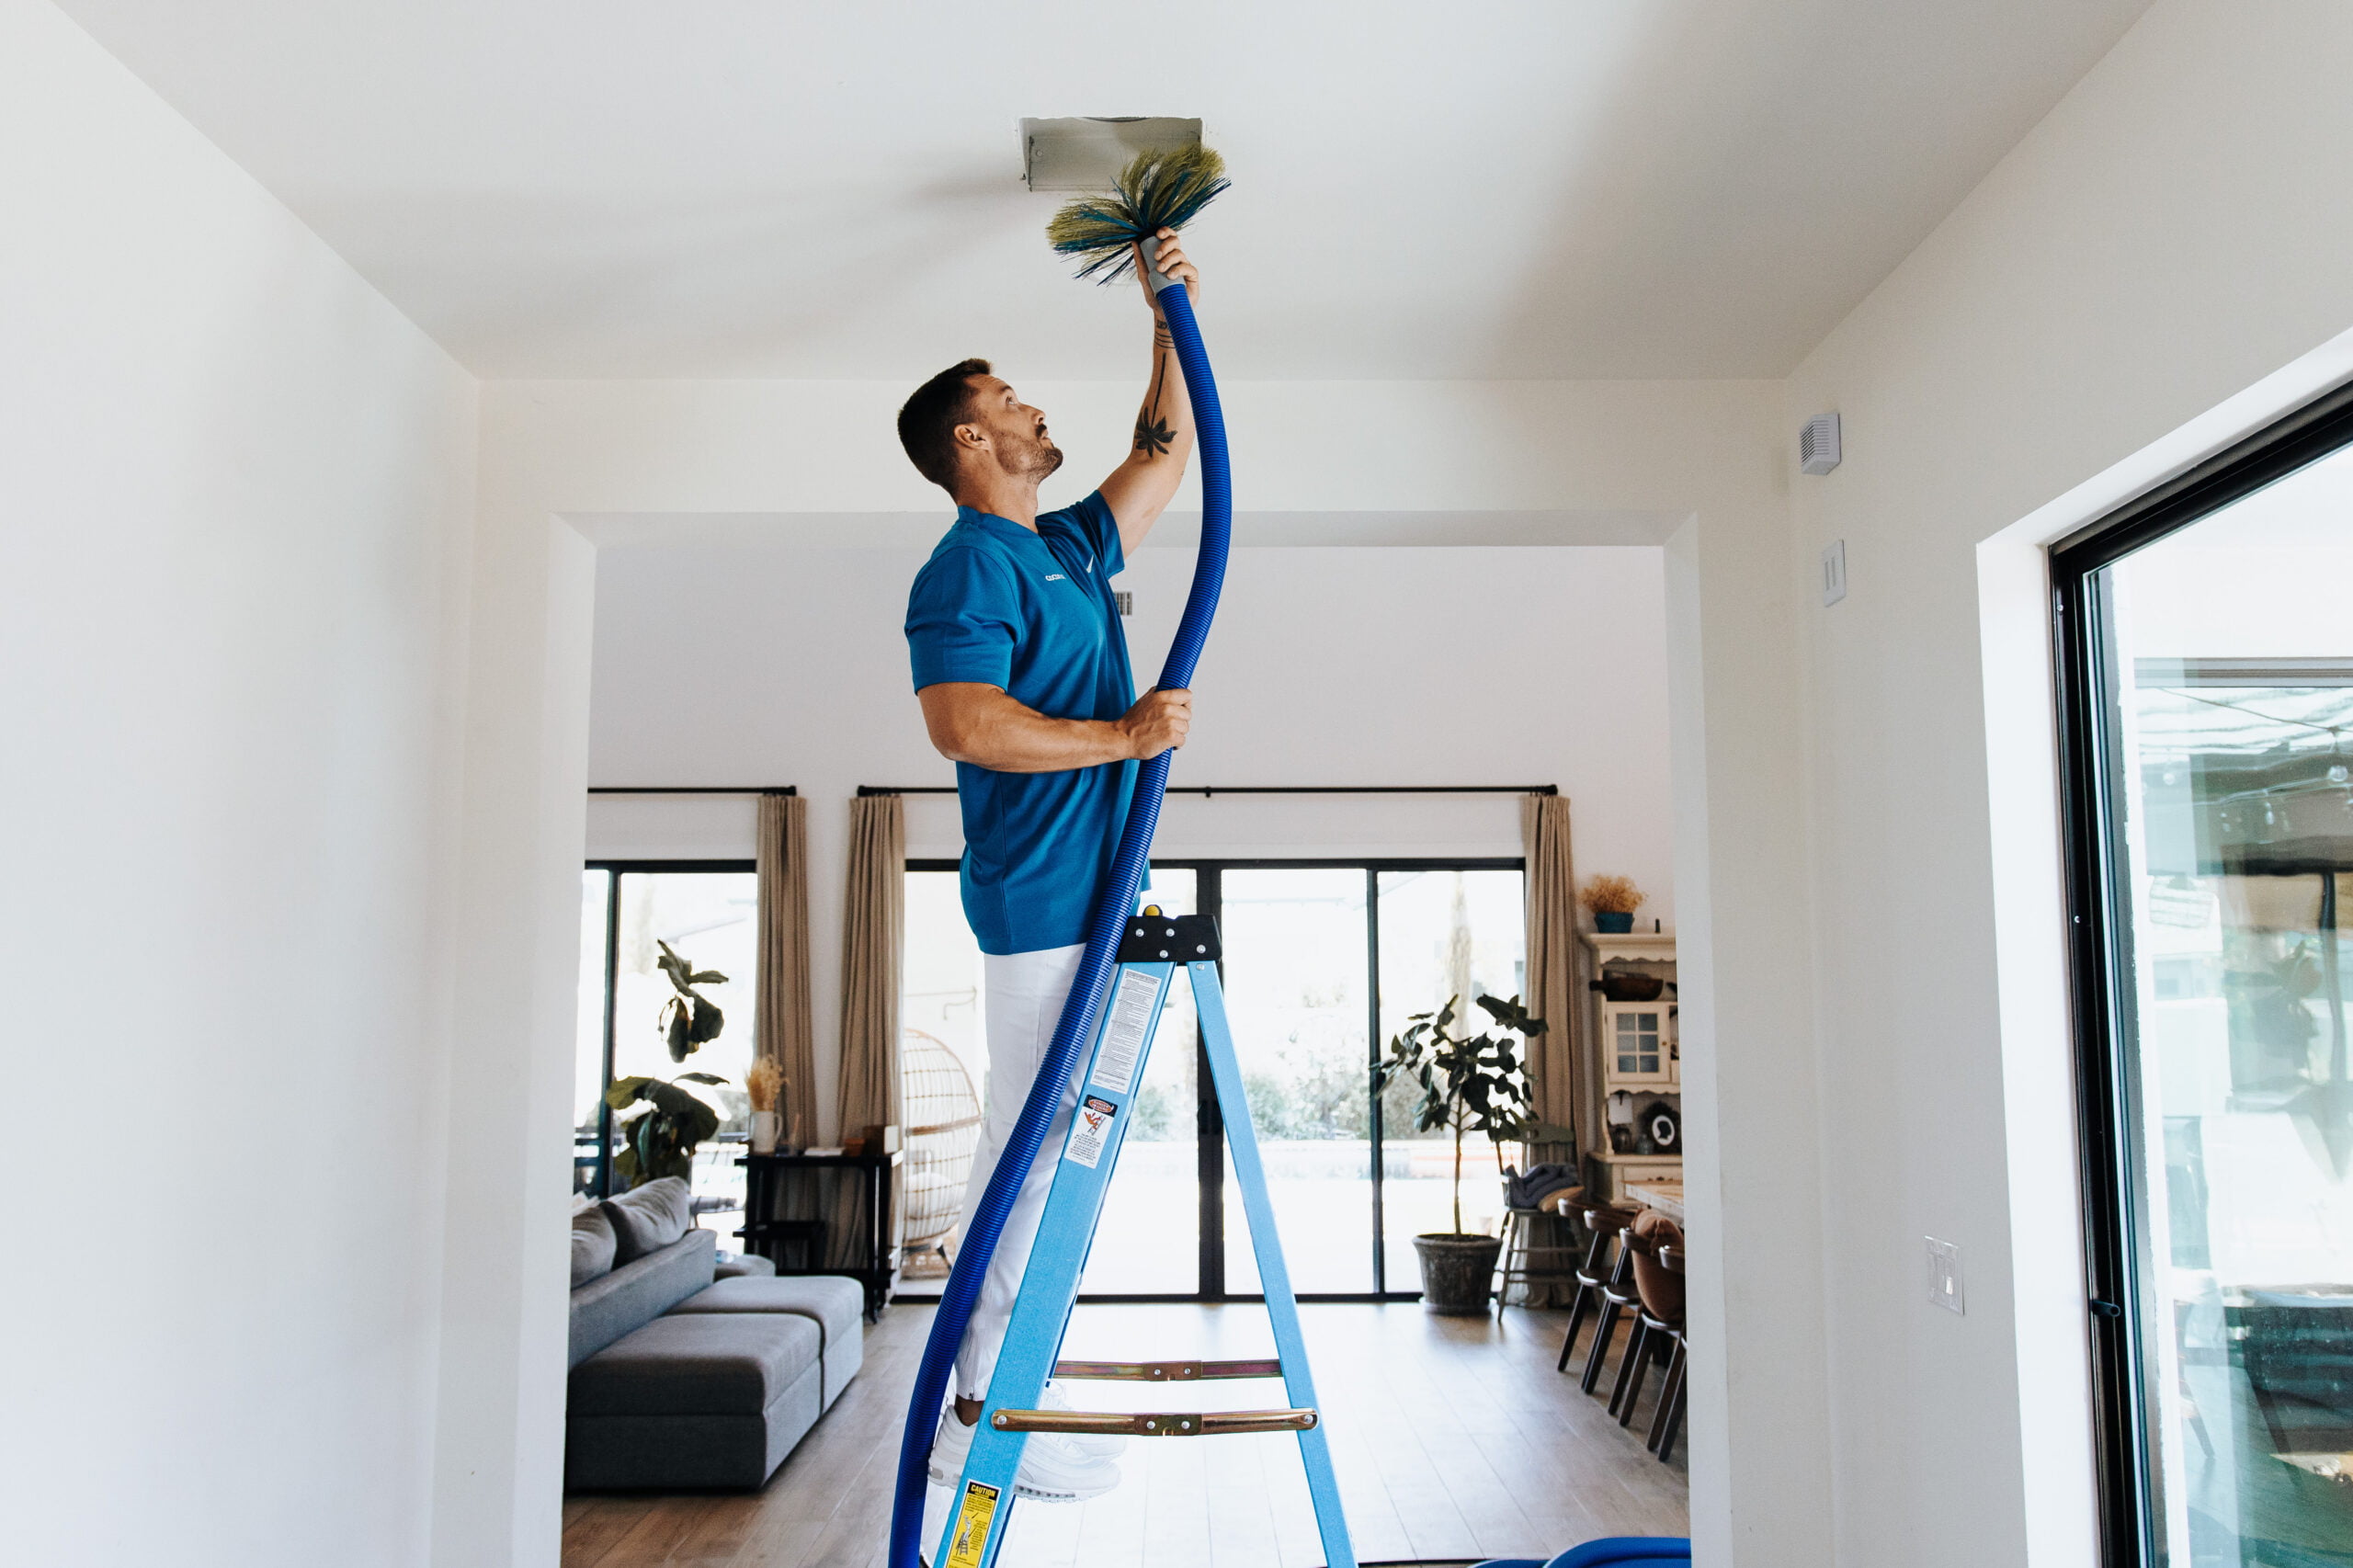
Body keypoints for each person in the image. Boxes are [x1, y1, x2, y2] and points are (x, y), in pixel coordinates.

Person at [898, 229, 1202, 1507]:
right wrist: (1121, 737)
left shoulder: (1068, 547)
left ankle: (1009, 1390)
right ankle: (978, 1409)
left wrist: (1166, 311)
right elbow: (964, 722)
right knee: (1026, 1155)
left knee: (1061, 1153)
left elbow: (1168, 451)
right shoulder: (965, 561)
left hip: (1093, 895)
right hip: (1038, 906)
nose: (1031, 405)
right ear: (973, 442)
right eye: (1008, 398)